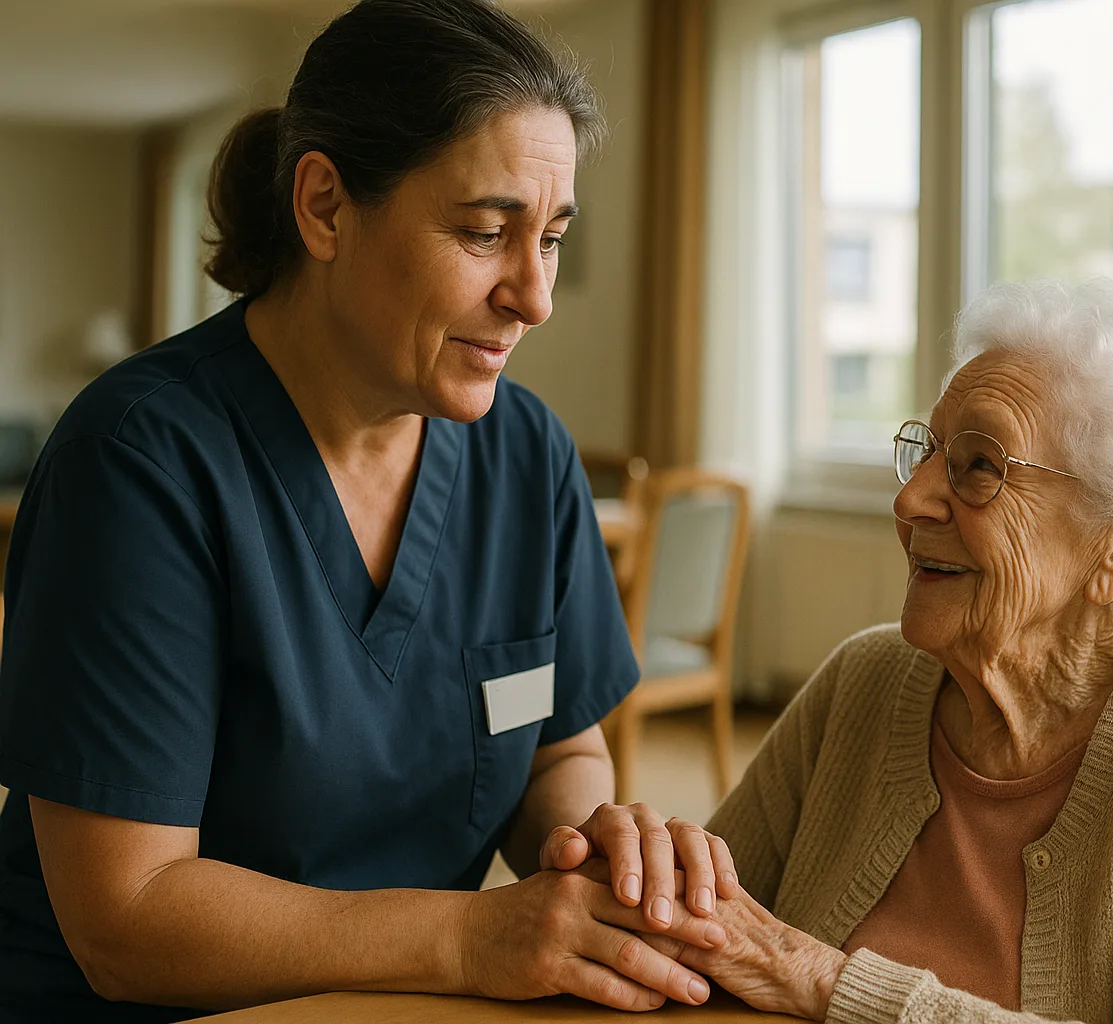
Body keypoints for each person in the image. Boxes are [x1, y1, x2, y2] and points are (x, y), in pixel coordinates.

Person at [0, 2, 734, 1019]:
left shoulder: (527, 456)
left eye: (552, 239)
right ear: (325, 208)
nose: (534, 296)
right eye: (485, 232)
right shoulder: (139, 461)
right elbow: (127, 918)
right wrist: (472, 936)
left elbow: (560, 746)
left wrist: (593, 846)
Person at [643, 278, 1113, 1023]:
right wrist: (633, 881)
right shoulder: (864, 681)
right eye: (928, 452)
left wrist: (828, 983)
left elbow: (779, 962)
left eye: (979, 467)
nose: (910, 501)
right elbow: (702, 932)